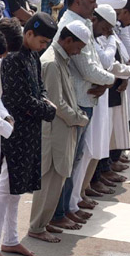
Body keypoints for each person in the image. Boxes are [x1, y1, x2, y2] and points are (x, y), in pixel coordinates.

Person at [0, 13, 56, 256]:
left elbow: (39, 87)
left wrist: (45, 102)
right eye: (42, 41)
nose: (44, 46)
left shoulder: (33, 56)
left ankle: (11, 238)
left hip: (30, 129)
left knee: (16, 190)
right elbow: (17, 99)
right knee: (5, 188)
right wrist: (47, 109)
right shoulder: (13, 58)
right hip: (14, 130)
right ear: (29, 34)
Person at [28, 22, 88, 241]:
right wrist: (79, 118)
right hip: (54, 131)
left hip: (62, 129)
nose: (79, 52)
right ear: (68, 40)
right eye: (78, 47)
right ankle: (37, 227)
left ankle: (43, 223)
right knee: (48, 183)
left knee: (55, 181)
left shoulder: (60, 59)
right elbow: (56, 104)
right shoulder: (52, 62)